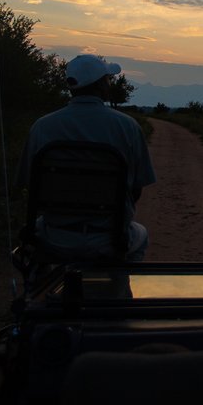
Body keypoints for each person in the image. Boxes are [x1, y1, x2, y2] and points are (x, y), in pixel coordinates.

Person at [17, 54, 156, 262]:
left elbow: (28, 183)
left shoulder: (42, 126)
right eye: (108, 79)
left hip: (54, 236)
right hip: (108, 239)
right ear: (101, 85)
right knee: (140, 235)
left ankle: (40, 290)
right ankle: (119, 289)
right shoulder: (127, 127)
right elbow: (136, 189)